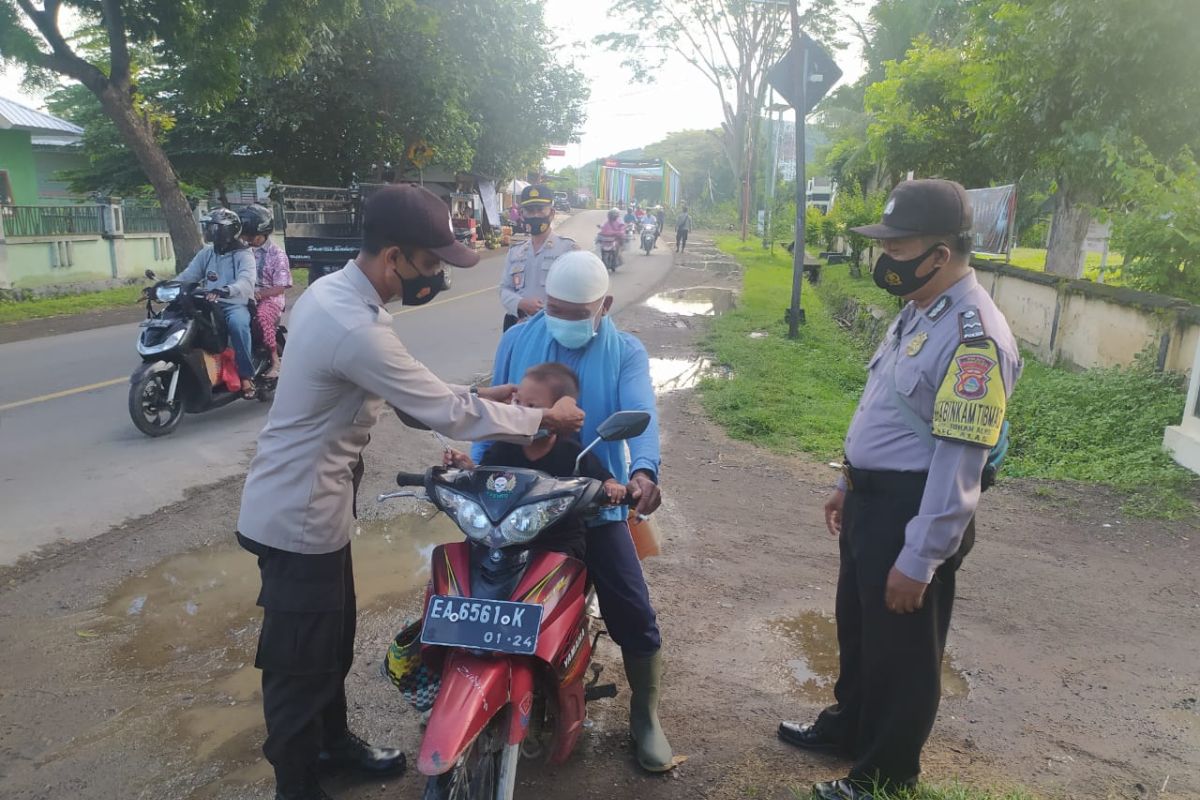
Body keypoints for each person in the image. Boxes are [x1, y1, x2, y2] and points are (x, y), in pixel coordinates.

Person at [236, 184, 585, 800]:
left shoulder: (340, 296)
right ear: (393, 255)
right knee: (297, 664)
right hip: (297, 514)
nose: (433, 277)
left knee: (332, 641)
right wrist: (540, 419)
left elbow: (411, 397)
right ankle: (297, 785)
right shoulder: (354, 324)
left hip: (320, 505)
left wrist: (488, 398)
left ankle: (334, 746)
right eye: (429, 264)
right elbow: (444, 414)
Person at [777, 180, 1022, 800]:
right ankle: (848, 727)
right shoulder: (920, 308)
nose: (885, 256)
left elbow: (959, 460)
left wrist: (921, 556)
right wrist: (846, 480)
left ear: (940, 253)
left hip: (914, 512)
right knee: (860, 630)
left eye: (897, 244)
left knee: (903, 653)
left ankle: (887, 773)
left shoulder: (975, 338)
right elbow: (883, 404)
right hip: (871, 501)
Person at [474, 250, 675, 773]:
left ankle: (645, 715)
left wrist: (644, 473)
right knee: (473, 589)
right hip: (517, 494)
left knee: (631, 608)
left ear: (604, 305)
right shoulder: (518, 338)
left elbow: (642, 412)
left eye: (574, 311)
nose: (559, 320)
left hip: (592, 499)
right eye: (554, 308)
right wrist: (477, 477)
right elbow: (491, 417)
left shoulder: (626, 352)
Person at [444, 361, 627, 560]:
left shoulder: (573, 454)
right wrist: (468, 469)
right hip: (503, 536)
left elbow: (603, 479)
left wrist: (612, 487)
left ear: (561, 415)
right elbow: (486, 477)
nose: (521, 413)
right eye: (518, 404)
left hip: (557, 543)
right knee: (464, 558)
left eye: (532, 407)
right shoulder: (503, 447)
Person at [177, 207, 257, 396]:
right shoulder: (207, 253)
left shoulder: (244, 254)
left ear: (228, 231)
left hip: (234, 303)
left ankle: (246, 376)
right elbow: (189, 275)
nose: (209, 232)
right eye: (208, 227)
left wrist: (226, 290)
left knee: (238, 325)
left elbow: (246, 282)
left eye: (214, 228)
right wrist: (164, 286)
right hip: (207, 302)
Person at [498, 184, 577, 332]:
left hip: (554, 329)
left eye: (540, 210)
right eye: (529, 211)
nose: (535, 216)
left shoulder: (567, 249)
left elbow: (577, 291)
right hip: (520, 327)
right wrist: (521, 303)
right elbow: (504, 289)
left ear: (552, 213)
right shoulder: (515, 252)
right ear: (522, 214)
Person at [239, 204, 291, 379]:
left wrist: (259, 294)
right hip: (243, 296)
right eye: (245, 235)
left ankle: (276, 361)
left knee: (261, 318)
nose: (247, 239)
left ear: (263, 233)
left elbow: (281, 287)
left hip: (270, 299)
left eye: (251, 236)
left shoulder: (277, 255)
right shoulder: (241, 251)